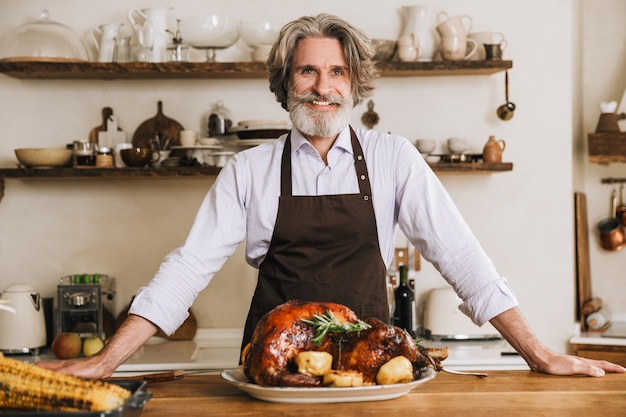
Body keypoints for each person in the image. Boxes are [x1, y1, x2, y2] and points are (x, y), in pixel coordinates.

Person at [38, 13, 624, 379]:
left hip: (373, 372)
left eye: (338, 73)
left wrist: (537, 353)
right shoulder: (249, 171)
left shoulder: (394, 160)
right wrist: (107, 359)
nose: (323, 88)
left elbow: (463, 259)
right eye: (308, 73)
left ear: (355, 84)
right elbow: (185, 270)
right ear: (285, 84)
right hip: (272, 377)